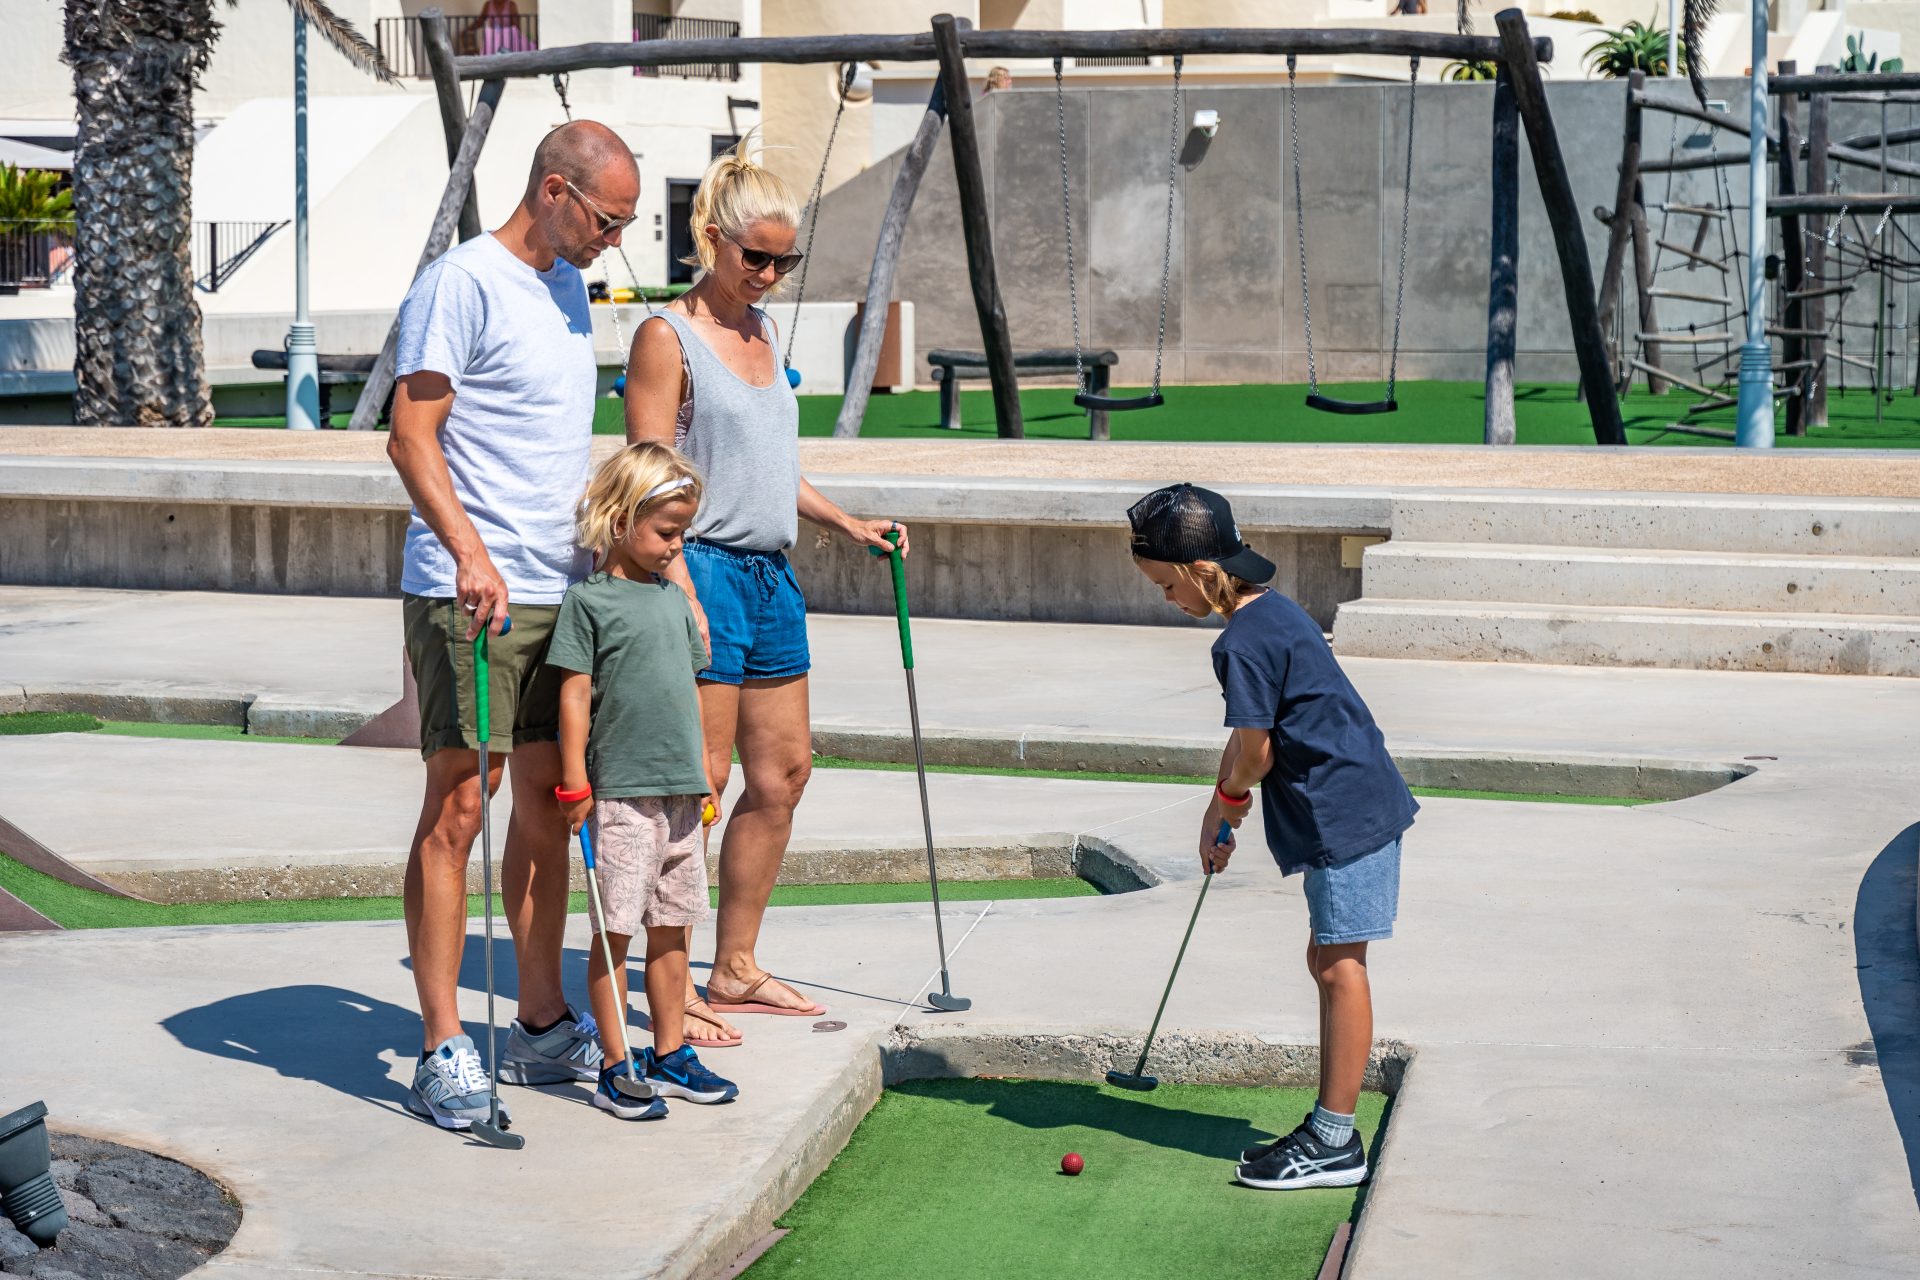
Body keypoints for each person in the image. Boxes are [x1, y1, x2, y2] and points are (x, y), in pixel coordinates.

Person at [624, 138, 909, 1045]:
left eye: (786, 261)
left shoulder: (764, 334)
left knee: (783, 776)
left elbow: (770, 467)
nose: (772, 275)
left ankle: (736, 965)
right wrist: (678, 588)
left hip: (770, 576)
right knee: (698, 783)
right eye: (758, 257)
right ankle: (674, 985)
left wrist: (848, 524)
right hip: (698, 566)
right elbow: (648, 477)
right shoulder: (666, 337)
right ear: (711, 238)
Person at [388, 120, 639, 1132]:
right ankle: (443, 1042)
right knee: (462, 801)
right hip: (473, 589)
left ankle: (539, 1023)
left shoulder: (569, 287)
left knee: (551, 803)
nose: (612, 241)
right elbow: (411, 436)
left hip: (561, 586)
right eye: (607, 220)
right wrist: (470, 552)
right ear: (553, 190)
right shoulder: (462, 282)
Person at [1127, 483, 1417, 1191]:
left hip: (1345, 813)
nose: (1166, 599)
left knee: (1340, 967)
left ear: (1201, 573)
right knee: (1328, 958)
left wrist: (1230, 797)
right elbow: (1248, 740)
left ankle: (1336, 1142)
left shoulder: (1241, 643)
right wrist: (1216, 811)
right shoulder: (1271, 615)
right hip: (1351, 804)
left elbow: (1255, 756)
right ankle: (1328, 1127)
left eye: (1167, 585)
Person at [550, 442, 740, 1119]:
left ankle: (669, 1052)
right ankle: (614, 1064)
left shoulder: (675, 603)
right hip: (623, 794)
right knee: (615, 932)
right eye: (666, 531)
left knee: (673, 927)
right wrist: (574, 778)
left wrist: (708, 773)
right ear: (622, 518)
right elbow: (574, 694)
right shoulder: (589, 602)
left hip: (683, 795)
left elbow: (689, 691)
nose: (674, 545)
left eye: (682, 532)